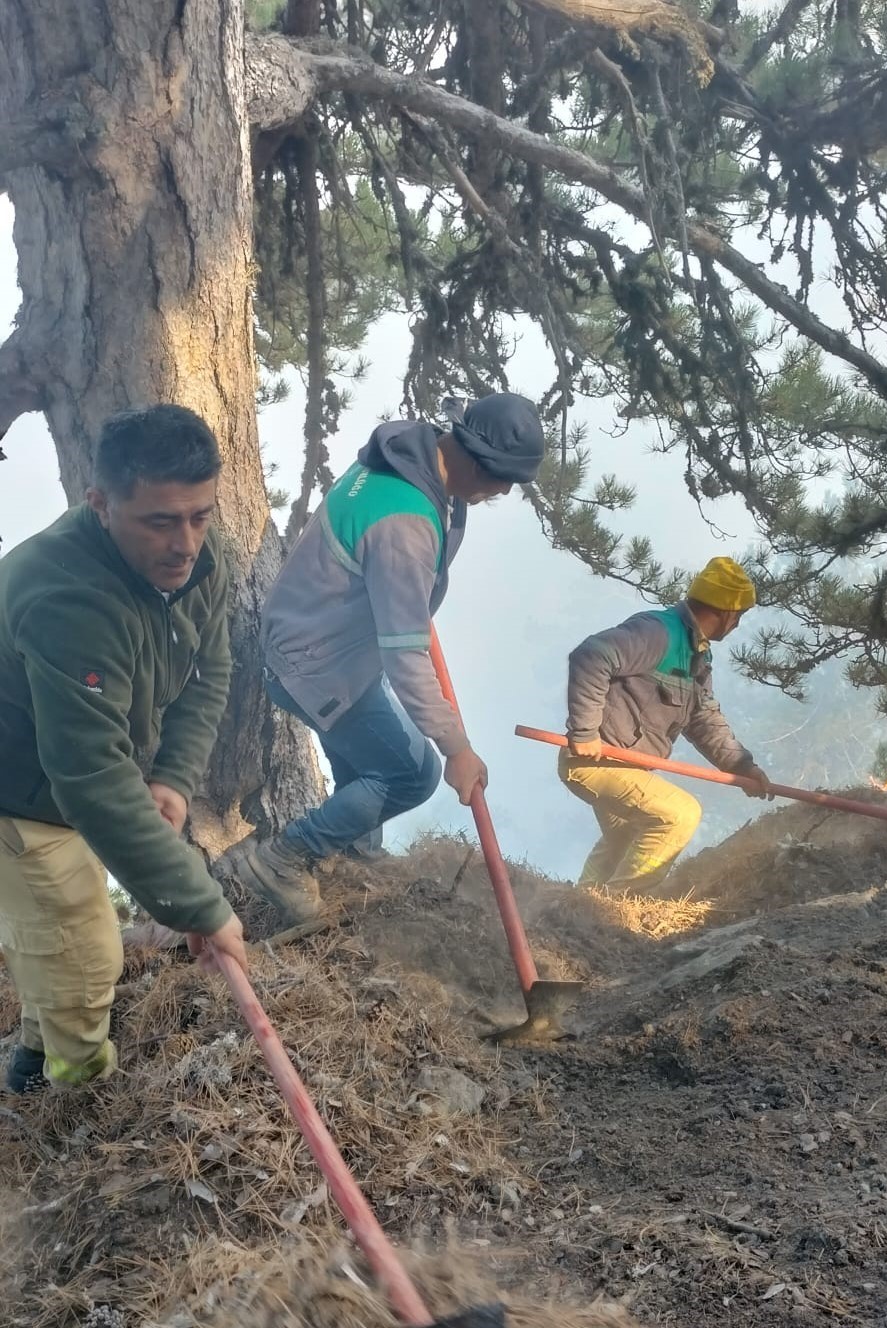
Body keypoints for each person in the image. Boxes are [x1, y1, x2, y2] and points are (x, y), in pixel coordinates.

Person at [0, 405, 248, 1095]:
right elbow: (89, 779)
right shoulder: (66, 598)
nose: (187, 543)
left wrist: (171, 776)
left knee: (55, 928)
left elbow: (210, 670)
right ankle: (74, 1093)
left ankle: (28, 1052)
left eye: (200, 515)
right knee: (85, 954)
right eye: (161, 521)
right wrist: (201, 907)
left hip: (76, 768)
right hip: (16, 789)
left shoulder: (202, 562)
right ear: (100, 504)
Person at [232, 392, 545, 924]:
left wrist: (409, 597)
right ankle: (284, 859)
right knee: (409, 774)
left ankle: (354, 857)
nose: (503, 491)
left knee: (365, 763)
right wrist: (457, 748)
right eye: (501, 478)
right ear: (471, 457)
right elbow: (405, 657)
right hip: (319, 664)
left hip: (316, 639)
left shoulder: (407, 456)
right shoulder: (406, 523)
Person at [559, 557, 774, 894]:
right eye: (740, 616)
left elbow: (703, 719)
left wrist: (741, 766)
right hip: (597, 760)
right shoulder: (658, 632)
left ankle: (575, 907)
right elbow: (592, 655)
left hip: (627, 768)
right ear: (728, 613)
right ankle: (614, 910)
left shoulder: (697, 656)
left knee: (626, 838)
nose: (737, 625)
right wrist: (585, 731)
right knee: (679, 815)